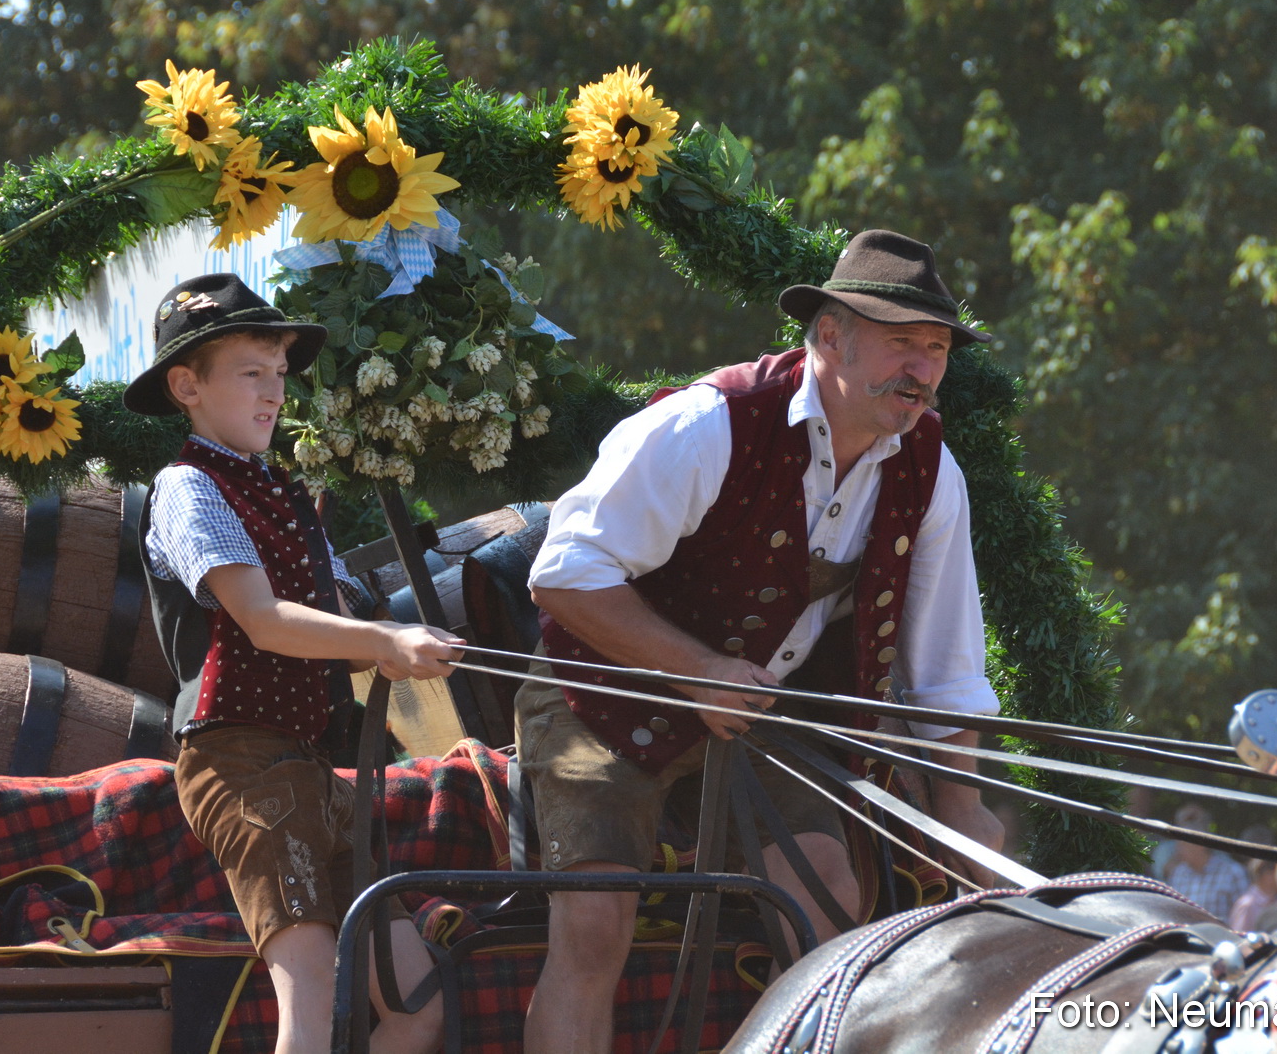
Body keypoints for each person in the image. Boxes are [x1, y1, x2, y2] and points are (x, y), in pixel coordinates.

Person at [515, 230, 1008, 1054]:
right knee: (595, 920)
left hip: (770, 714)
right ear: (827, 337)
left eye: (935, 349)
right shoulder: (709, 423)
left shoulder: (932, 469)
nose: (920, 369)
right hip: (605, 694)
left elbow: (945, 664)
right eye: (899, 343)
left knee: (826, 906)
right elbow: (563, 574)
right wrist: (698, 668)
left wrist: (964, 811)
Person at [125, 274, 461, 1054]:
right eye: (252, 372)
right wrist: (385, 645)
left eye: (280, 374)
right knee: (309, 994)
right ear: (187, 385)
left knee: (421, 1000)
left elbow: (337, 607)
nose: (274, 392)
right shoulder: (187, 486)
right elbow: (263, 619)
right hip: (237, 763)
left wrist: (394, 637)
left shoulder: (278, 490)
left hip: (306, 768)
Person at [1162, 802, 1251, 922]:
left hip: (1220, 938)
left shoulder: (1233, 872)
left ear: (1200, 844)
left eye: (1183, 842)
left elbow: (1244, 916)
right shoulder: (1178, 873)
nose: (1178, 848)